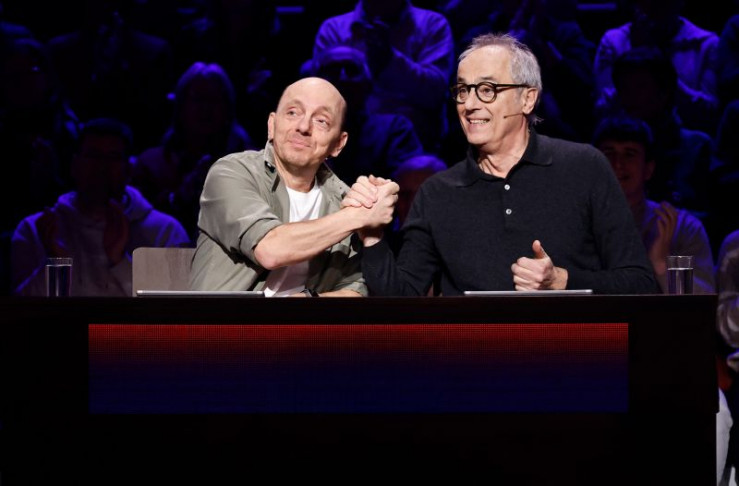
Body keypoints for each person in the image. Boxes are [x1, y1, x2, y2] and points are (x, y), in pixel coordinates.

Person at [344, 32, 658, 296]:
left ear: (528, 99)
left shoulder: (584, 167)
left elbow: (641, 284)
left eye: (487, 90)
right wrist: (373, 237)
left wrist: (562, 281)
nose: (469, 104)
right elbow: (402, 299)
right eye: (463, 90)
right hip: (473, 350)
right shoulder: (437, 193)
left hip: (569, 347)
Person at [188, 77, 398, 296]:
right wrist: (360, 215)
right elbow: (270, 250)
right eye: (293, 113)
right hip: (225, 318)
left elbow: (355, 290)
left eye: (321, 121)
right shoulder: (231, 172)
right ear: (272, 124)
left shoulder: (344, 200)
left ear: (338, 144)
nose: (303, 127)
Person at [11, 118, 190, 297]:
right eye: (92, 155)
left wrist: (121, 262)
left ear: (128, 169)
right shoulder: (34, 230)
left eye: (113, 157)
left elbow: (175, 310)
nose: (101, 167)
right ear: (74, 165)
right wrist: (57, 264)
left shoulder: (166, 232)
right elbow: (22, 312)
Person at [132, 61, 255, 244]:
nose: (205, 109)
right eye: (198, 99)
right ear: (181, 106)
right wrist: (180, 196)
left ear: (227, 107)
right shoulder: (151, 164)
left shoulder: (251, 164)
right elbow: (141, 225)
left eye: (213, 99)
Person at [593, 114, 715, 294]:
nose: (618, 164)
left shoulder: (683, 228)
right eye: (609, 153)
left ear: (648, 169)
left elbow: (703, 302)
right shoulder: (575, 224)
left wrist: (662, 264)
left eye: (629, 154)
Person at [310, 0, 454, 152]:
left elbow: (435, 93)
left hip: (417, 145)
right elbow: (320, 93)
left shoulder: (433, 24)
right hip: (345, 142)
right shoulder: (334, 29)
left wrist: (390, 58)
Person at [593, 0, 719, 134]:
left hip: (682, 136)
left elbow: (709, 113)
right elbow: (602, 109)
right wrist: (637, 57)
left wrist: (657, 61)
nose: (653, 8)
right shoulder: (613, 42)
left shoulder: (706, 44)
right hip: (625, 137)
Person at [304, 44, 424, 185]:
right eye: (333, 71)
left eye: (351, 70)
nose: (342, 77)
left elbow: (409, 184)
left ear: (368, 84)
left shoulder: (394, 130)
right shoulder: (300, 130)